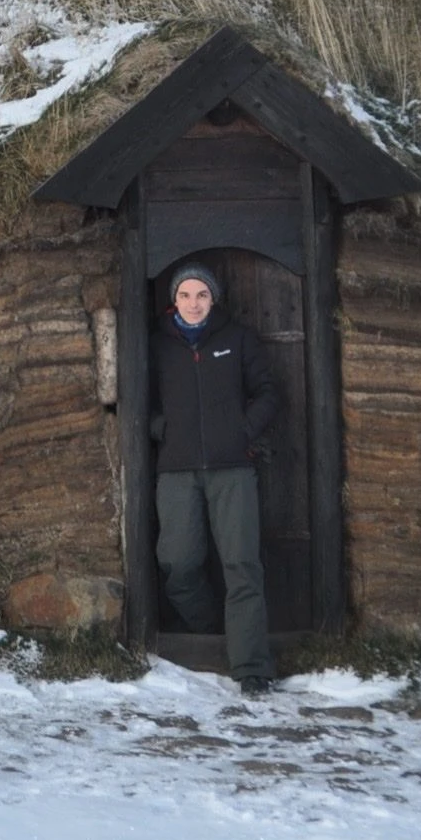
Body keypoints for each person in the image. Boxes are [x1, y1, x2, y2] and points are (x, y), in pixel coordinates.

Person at [150, 262, 281, 694]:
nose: (193, 304)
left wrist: (243, 431)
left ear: (213, 298)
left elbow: (267, 392)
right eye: (185, 295)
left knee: (242, 564)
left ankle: (251, 668)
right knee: (178, 563)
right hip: (177, 469)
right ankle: (212, 632)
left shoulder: (238, 339)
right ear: (174, 299)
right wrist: (159, 429)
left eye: (201, 295)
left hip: (233, 469)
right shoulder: (158, 344)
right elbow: (141, 396)